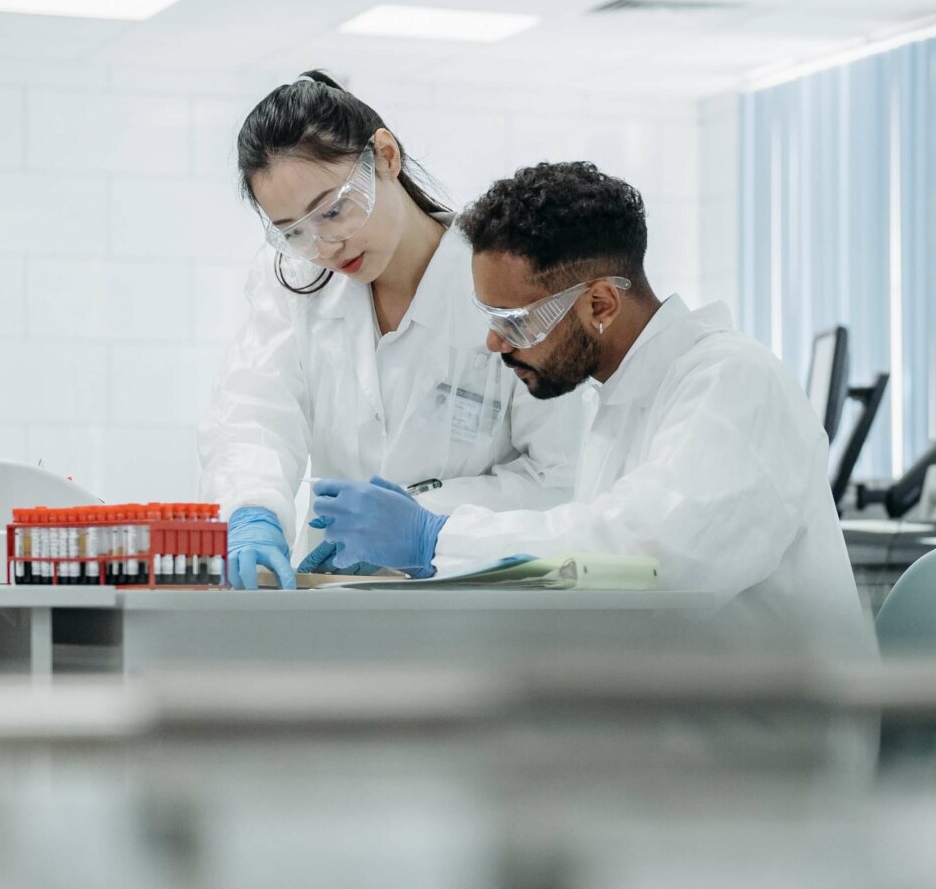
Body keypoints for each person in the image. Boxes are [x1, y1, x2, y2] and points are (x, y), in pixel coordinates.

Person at [300, 160, 875, 655]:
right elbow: (585, 552)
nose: (495, 344)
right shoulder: (622, 402)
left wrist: (435, 539)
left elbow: (647, 561)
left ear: (599, 302)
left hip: (771, 751)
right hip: (690, 725)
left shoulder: (731, 381)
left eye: (514, 322)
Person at [200, 72, 582, 589]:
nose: (326, 246)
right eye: (295, 232)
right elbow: (252, 416)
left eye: (333, 210)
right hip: (337, 594)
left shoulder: (508, 284)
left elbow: (565, 476)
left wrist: (425, 525)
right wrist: (252, 510)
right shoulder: (292, 282)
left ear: (385, 156)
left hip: (481, 598)